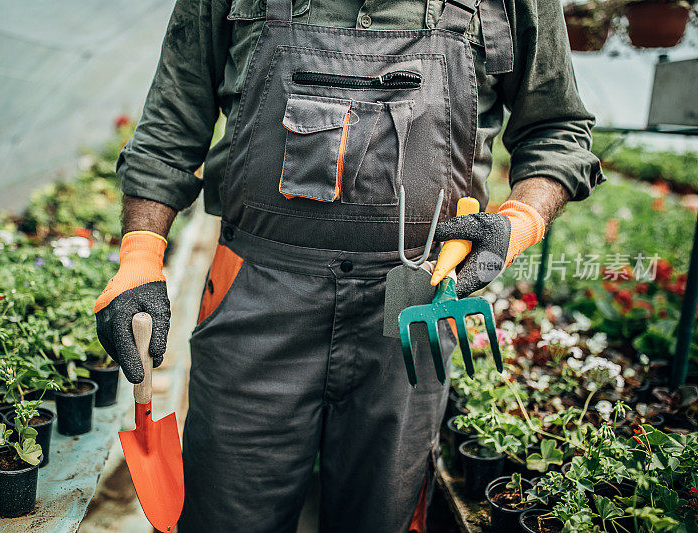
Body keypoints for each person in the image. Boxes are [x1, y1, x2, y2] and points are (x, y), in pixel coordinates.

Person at [94, 0, 603, 530]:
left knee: (382, 510)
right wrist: (141, 255)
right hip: (258, 286)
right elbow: (173, 119)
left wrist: (521, 219)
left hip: (415, 296)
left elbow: (556, 130)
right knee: (229, 509)